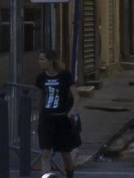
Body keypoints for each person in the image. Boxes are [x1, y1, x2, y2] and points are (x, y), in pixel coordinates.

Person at [35, 49, 78, 177]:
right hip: (47, 119)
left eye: (42, 59)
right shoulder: (41, 78)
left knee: (65, 153)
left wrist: (73, 109)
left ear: (50, 61)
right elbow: (41, 97)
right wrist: (39, 113)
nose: (39, 62)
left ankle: (70, 174)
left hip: (62, 119)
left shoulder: (64, 76)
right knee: (45, 153)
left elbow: (76, 95)